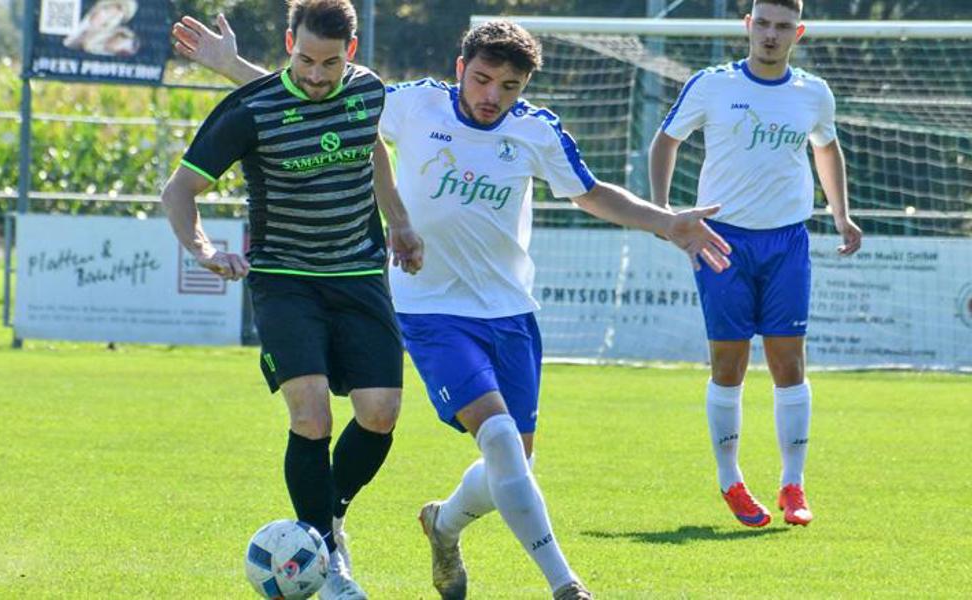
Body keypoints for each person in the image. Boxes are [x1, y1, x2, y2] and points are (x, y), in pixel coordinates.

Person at [174, 15, 732, 599]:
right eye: (483, 80)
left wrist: (667, 222)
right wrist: (231, 66)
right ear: (460, 69)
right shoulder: (416, 106)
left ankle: (443, 524)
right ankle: (565, 585)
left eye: (509, 87)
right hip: (430, 309)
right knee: (492, 438)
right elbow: (320, 93)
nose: (493, 96)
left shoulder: (536, 130)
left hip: (511, 312)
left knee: (512, 466)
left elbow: (592, 194)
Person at [161, 1, 423, 599]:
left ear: (349, 54)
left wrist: (401, 222)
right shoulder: (249, 111)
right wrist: (204, 249)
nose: (315, 73)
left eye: (329, 62)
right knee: (311, 417)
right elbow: (180, 190)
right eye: (305, 58)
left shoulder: (368, 94)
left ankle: (326, 518)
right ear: (288, 43)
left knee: (379, 414)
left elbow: (372, 151)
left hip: (358, 274)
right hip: (284, 280)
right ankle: (328, 564)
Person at [648, 0, 862, 528]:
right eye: (762, 23)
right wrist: (664, 214)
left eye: (782, 26)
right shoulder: (712, 84)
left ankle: (793, 484)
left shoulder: (813, 92)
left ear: (799, 32)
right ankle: (731, 481)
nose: (771, 34)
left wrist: (841, 216)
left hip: (787, 241)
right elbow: (665, 141)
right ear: (748, 26)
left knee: (790, 363)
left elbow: (826, 151)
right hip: (722, 243)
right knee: (729, 365)